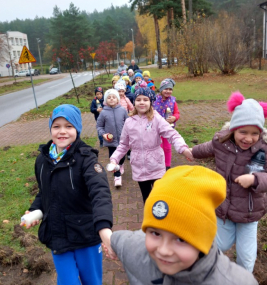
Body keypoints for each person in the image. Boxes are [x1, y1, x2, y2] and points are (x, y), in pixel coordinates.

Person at [104, 165, 258, 285]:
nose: (163, 250)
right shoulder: (135, 249)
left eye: (181, 239)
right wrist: (109, 240)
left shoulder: (237, 281)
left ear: (202, 241)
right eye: (155, 233)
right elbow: (120, 240)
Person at [20, 104, 114, 285]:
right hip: (58, 236)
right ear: (50, 129)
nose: (62, 131)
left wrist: (103, 228)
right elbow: (44, 192)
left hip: (86, 236)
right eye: (56, 126)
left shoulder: (87, 159)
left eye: (68, 126)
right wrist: (34, 210)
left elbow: (100, 193)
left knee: (92, 281)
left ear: (77, 129)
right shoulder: (42, 159)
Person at [191, 91, 267, 273]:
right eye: (243, 132)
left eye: (254, 133)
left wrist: (255, 179)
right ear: (234, 129)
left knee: (246, 256)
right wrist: (191, 151)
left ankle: (242, 279)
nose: (248, 138)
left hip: (250, 213)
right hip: (223, 207)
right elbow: (208, 148)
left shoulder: (263, 150)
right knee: (220, 244)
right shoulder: (222, 142)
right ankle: (206, 270)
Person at [109, 87, 193, 203]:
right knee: (147, 199)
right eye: (138, 100)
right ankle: (150, 220)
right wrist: (114, 159)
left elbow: (172, 135)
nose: (142, 102)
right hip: (139, 167)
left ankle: (162, 220)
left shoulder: (156, 119)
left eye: (145, 99)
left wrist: (183, 149)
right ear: (134, 102)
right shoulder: (129, 122)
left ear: (151, 102)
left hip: (156, 165)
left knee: (160, 199)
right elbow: (123, 144)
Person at [97, 89, 128, 187]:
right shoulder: (103, 113)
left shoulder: (123, 110)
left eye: (113, 97)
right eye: (109, 97)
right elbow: (99, 126)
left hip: (123, 141)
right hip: (111, 142)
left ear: (117, 99)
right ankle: (117, 176)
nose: (111, 99)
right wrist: (103, 134)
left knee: (122, 158)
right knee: (113, 159)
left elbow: (128, 123)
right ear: (106, 100)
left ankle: (121, 164)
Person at [153, 79, 180, 170]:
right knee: (158, 147)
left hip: (168, 128)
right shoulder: (154, 100)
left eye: (170, 89)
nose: (168, 91)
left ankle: (167, 165)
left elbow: (177, 113)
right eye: (166, 89)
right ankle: (159, 164)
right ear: (161, 89)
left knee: (168, 147)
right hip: (156, 129)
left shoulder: (173, 101)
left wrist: (174, 118)